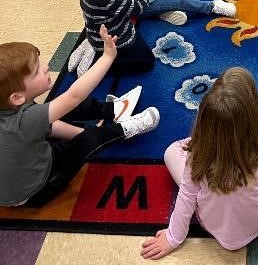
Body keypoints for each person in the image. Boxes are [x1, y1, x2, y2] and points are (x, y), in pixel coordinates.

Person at [140, 67, 258, 259]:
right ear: (253, 115)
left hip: (210, 224)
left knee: (172, 151)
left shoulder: (197, 156)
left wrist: (173, 238)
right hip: (257, 223)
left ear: (204, 122)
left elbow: (186, 197)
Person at [0, 24, 160, 208]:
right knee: (88, 136)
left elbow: (49, 125)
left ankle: (115, 110)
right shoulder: (24, 121)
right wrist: (107, 57)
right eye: (37, 71)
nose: (46, 68)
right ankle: (125, 129)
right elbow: (74, 96)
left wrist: (80, 131)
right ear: (17, 97)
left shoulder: (11, 108)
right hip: (40, 188)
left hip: (27, 162)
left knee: (60, 113)